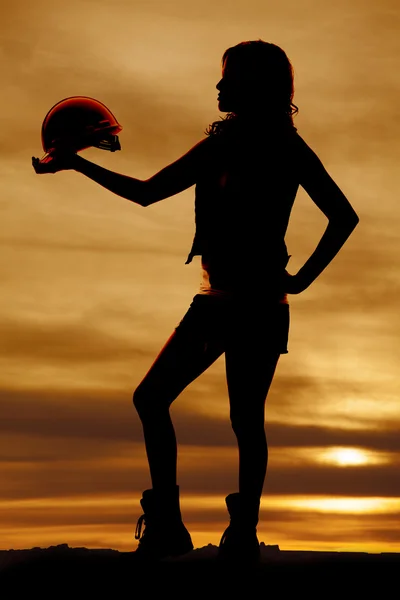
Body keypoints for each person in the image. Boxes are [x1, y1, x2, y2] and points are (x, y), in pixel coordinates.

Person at [32, 39, 359, 563]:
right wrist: (297, 282)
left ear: (252, 84)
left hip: (229, 303)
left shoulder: (234, 146)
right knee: (245, 419)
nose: (218, 86)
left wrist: (76, 165)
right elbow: (344, 217)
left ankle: (171, 527)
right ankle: (240, 533)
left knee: (157, 400)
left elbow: (145, 193)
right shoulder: (280, 145)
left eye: (227, 77)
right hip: (262, 305)